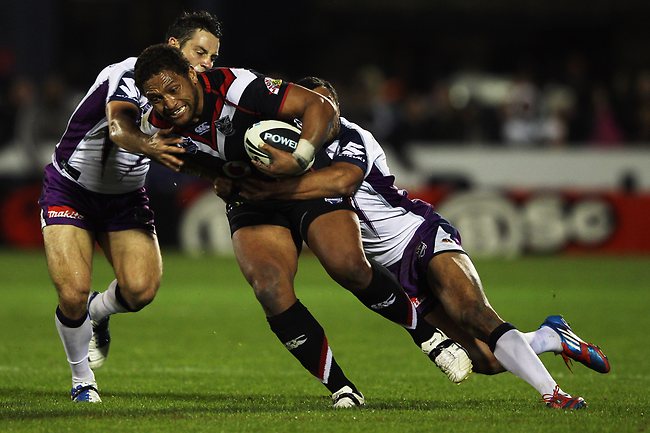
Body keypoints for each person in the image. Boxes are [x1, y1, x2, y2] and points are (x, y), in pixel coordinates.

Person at [230, 76, 611, 410]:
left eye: (328, 107)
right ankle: (550, 336)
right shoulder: (295, 150)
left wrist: (271, 189)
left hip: (419, 235)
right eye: (312, 110)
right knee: (485, 361)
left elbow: (342, 181)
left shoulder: (352, 136)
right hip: (392, 274)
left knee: (474, 312)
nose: (323, 116)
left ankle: (554, 394)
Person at [134, 44, 473, 408]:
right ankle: (341, 388)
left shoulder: (236, 86)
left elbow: (320, 106)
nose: (168, 103)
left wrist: (300, 156)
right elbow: (191, 162)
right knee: (268, 287)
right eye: (156, 97)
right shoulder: (155, 126)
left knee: (347, 265)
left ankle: (429, 338)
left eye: (173, 90)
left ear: (191, 75)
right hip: (253, 197)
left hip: (302, 180)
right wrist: (217, 177)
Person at [38, 11, 223, 403]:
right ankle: (82, 380)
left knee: (140, 291)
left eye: (212, 58)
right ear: (174, 47)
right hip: (72, 189)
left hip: (125, 198)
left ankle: (99, 311)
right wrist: (151, 146)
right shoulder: (125, 74)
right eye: (201, 53)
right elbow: (121, 128)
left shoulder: (196, 93)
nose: (208, 64)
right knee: (71, 293)